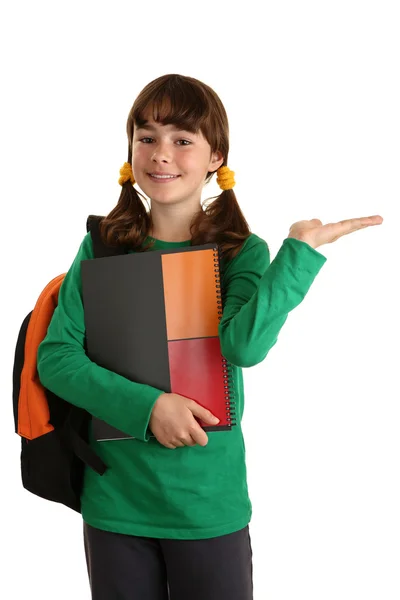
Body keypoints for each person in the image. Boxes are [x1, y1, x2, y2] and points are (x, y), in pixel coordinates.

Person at [37, 73, 383, 600]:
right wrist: (150, 406)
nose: (161, 155)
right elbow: (57, 359)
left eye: (182, 140)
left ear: (215, 157)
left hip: (207, 504)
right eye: (147, 137)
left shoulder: (241, 253)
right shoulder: (103, 246)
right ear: (130, 148)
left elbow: (243, 347)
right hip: (115, 503)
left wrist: (300, 254)